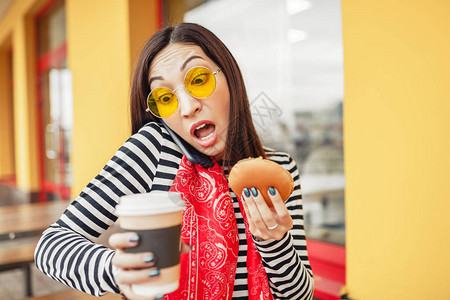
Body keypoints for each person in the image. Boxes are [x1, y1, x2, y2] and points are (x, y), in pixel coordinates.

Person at [34, 23, 314, 300]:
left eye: (199, 80)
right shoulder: (154, 150)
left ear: (229, 77)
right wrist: (114, 268)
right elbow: (50, 247)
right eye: (166, 98)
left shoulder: (278, 169)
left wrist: (275, 242)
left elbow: (299, 295)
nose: (188, 107)